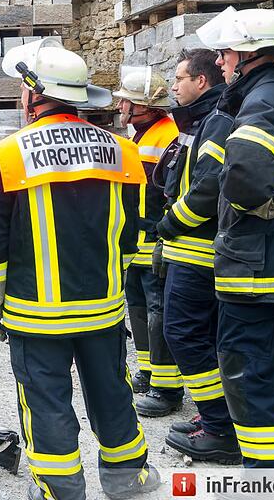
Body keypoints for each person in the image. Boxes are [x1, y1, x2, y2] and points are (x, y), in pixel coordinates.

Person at [0, 38, 160, 500]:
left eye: (23, 88)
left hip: (35, 314)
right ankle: (127, 478)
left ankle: (60, 490)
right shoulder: (123, 152)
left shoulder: (10, 155)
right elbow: (132, 235)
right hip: (103, 309)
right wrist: (113, 285)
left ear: (35, 94)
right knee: (112, 392)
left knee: (46, 401)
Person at [196, 7, 274, 468]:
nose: (220, 63)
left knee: (246, 373)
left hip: (259, 270)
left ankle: (267, 478)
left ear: (247, 54)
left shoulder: (261, 102)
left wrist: (245, 205)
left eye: (225, 53)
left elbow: (248, 175)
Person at [149, 48, 239, 462]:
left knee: (183, 334)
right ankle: (216, 417)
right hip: (189, 250)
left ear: (201, 81)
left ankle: (219, 426)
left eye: (179, 78)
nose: (173, 86)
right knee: (196, 336)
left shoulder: (216, 121)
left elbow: (208, 187)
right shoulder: (200, 120)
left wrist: (169, 225)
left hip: (197, 252)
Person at [112, 67, 183, 418]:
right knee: (139, 308)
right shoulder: (140, 134)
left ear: (144, 106)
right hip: (136, 243)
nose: (120, 106)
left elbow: (170, 192)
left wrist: (162, 238)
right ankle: (149, 370)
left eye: (126, 100)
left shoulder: (169, 135)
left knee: (158, 312)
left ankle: (167, 388)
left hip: (156, 241)